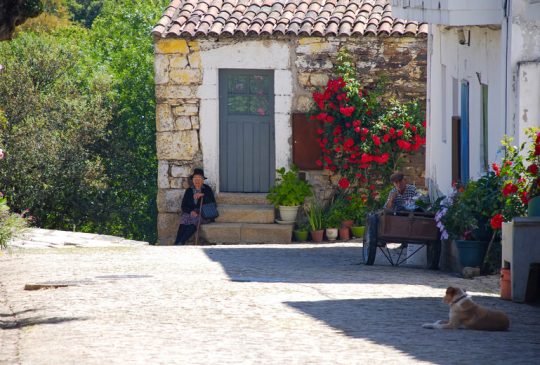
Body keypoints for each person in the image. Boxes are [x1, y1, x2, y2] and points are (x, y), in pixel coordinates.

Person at [174, 168, 216, 245]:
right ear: (192, 180)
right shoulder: (189, 191)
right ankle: (177, 242)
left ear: (203, 180)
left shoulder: (207, 189)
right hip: (191, 212)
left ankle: (182, 242)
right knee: (184, 219)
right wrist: (191, 211)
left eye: (199, 178)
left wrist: (202, 195)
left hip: (203, 213)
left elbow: (212, 203)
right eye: (195, 178)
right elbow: (184, 206)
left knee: (195, 219)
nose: (197, 181)